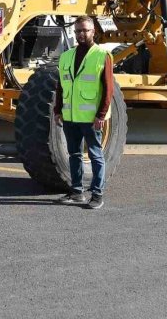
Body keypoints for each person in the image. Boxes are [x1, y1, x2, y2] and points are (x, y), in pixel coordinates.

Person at [53, 16, 114, 210]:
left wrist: (101, 115)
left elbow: (108, 89)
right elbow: (61, 86)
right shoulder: (66, 57)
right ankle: (77, 192)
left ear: (93, 31)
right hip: (70, 117)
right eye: (78, 30)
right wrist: (57, 110)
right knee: (74, 155)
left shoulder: (101, 55)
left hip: (91, 118)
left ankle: (97, 194)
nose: (81, 34)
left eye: (85, 30)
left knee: (96, 155)